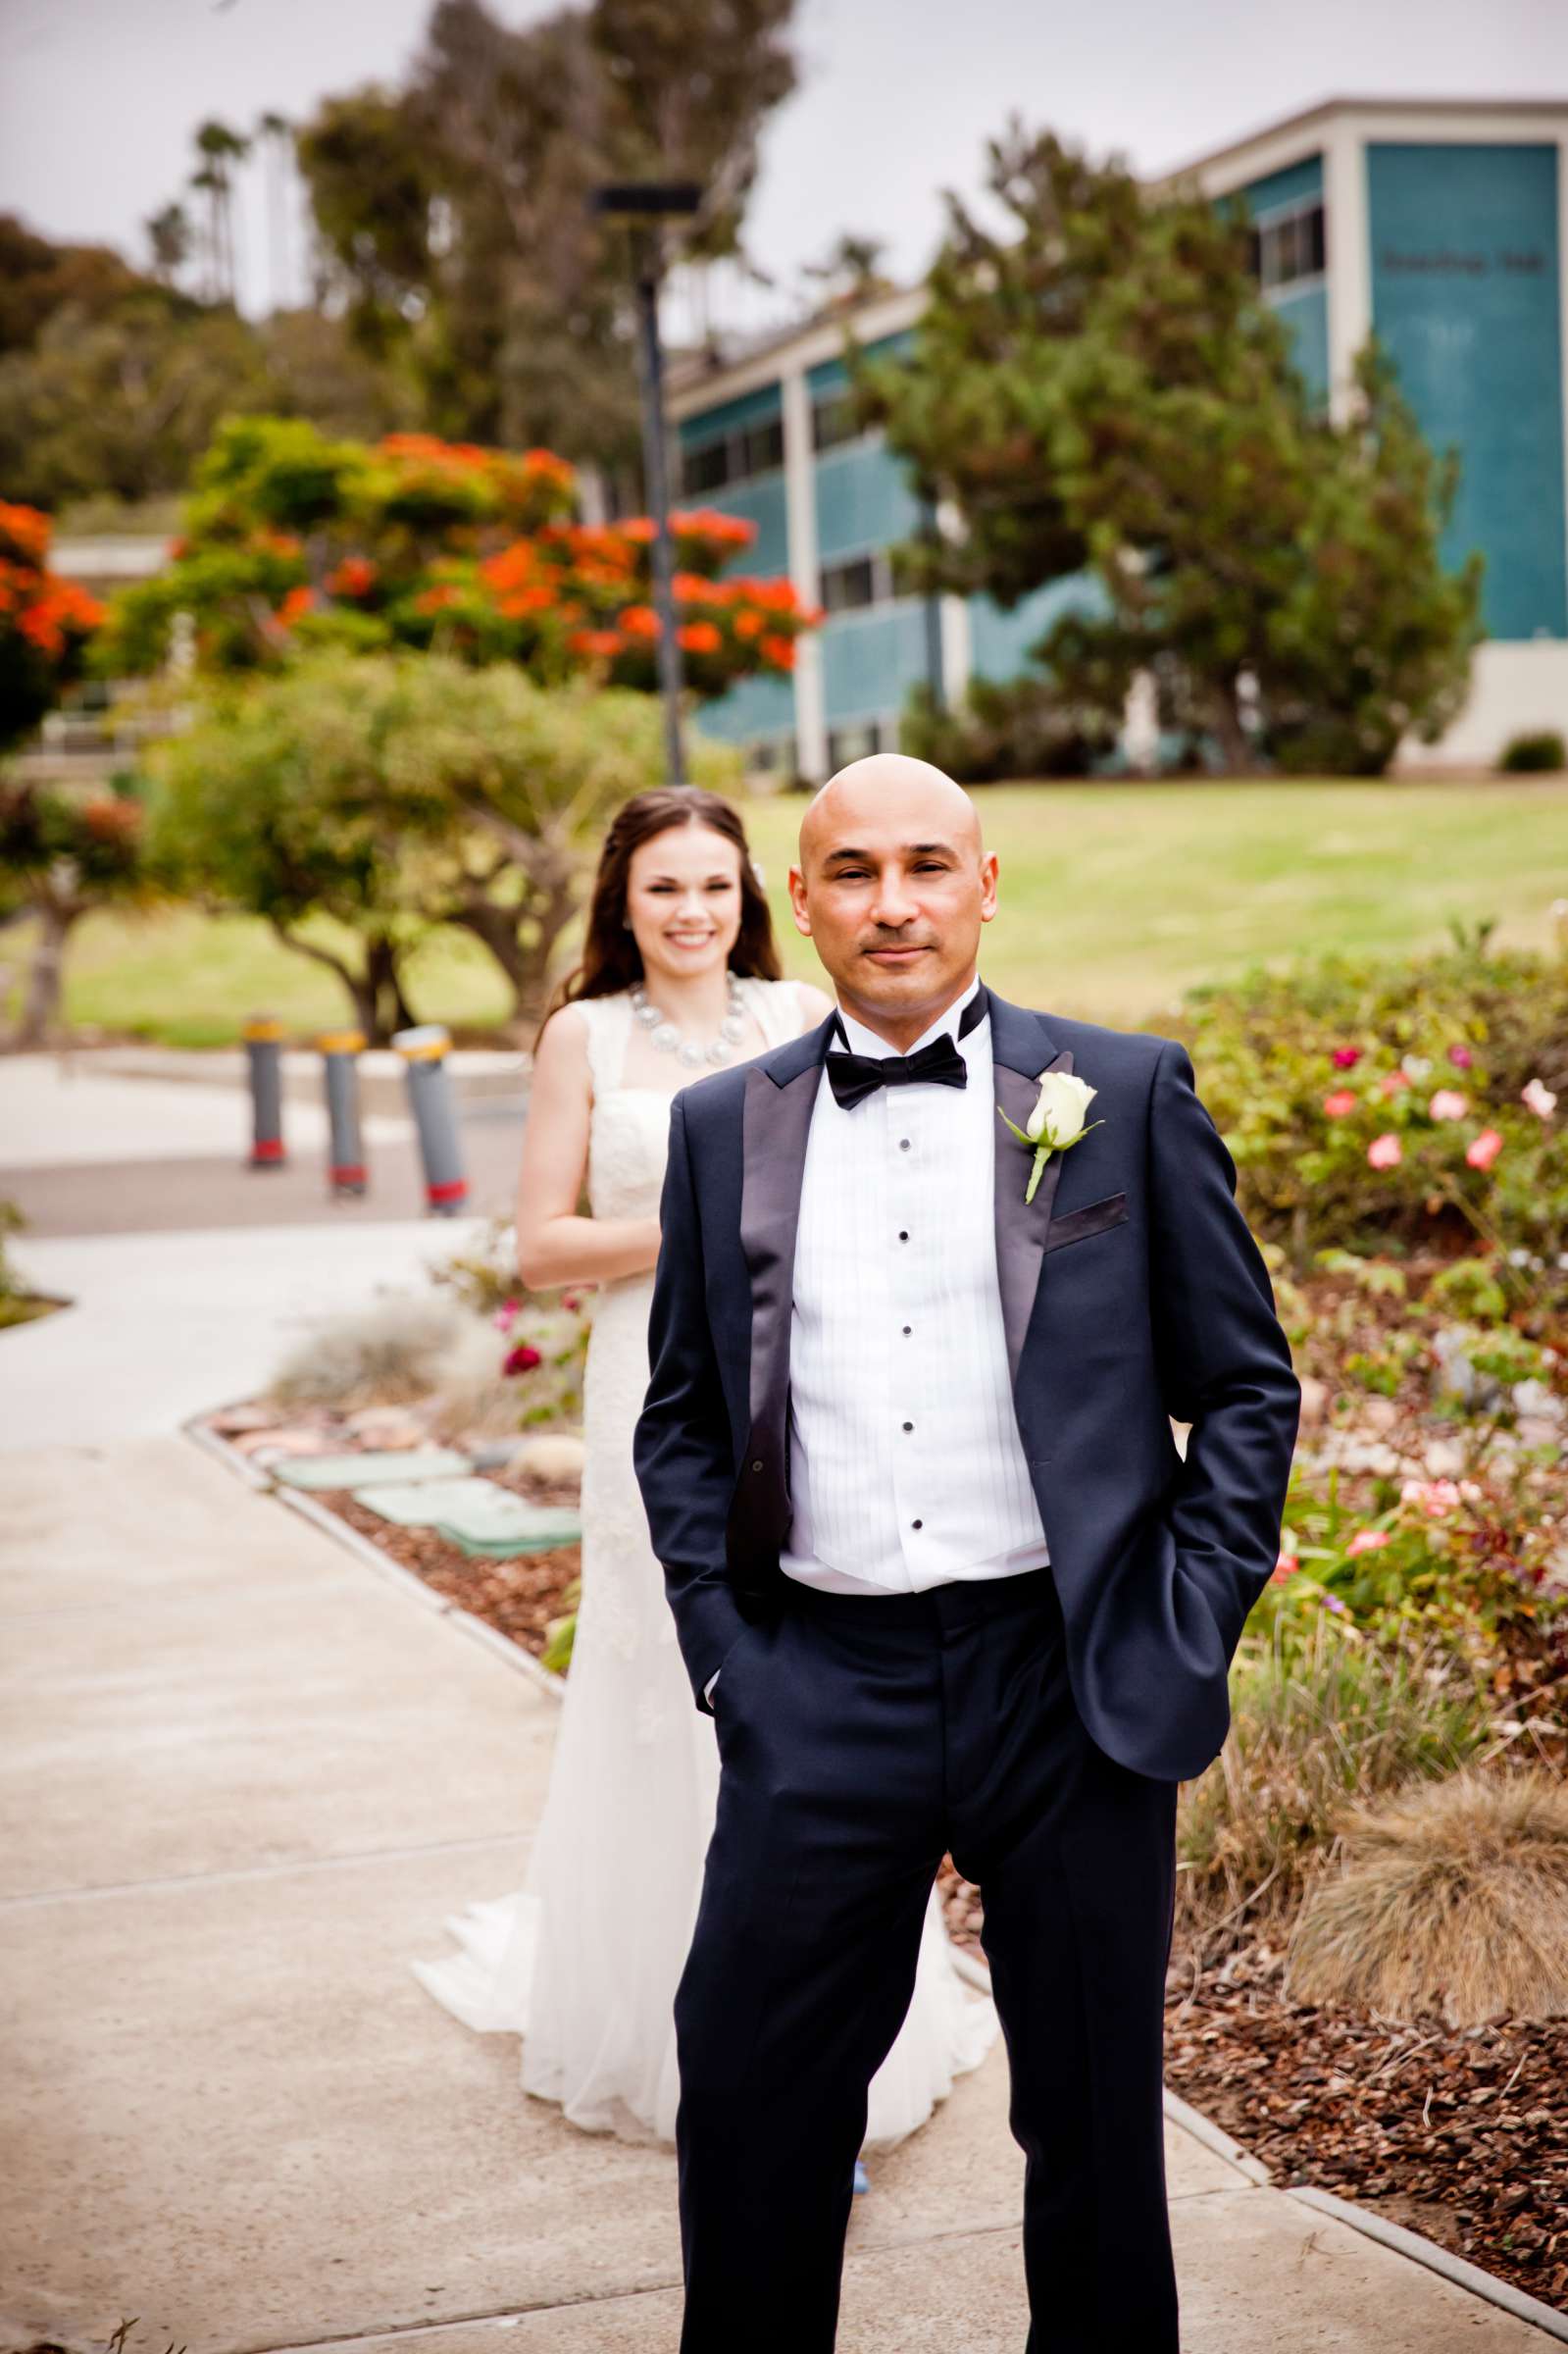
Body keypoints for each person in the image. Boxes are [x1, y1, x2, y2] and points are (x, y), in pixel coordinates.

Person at [633, 754, 1301, 2352]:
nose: (893, 904)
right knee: (748, 2098)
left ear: (987, 883)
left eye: (928, 866)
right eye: (851, 872)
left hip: (1067, 1681)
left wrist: (1178, 1618)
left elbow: (1246, 1390)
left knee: (1089, 2132)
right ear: (797, 904)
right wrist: (735, 1656)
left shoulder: (1124, 1093)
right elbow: (682, 1420)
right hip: (821, 1685)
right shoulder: (723, 1126)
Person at [412, 783, 998, 2155]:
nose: (691, 912)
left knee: (813, 1676)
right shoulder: (584, 1038)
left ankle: (855, 2027)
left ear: (758, 900)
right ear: (623, 899)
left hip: (802, 1376)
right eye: (664, 887)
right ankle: (669, 2024)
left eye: (715, 888)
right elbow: (544, 1246)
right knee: (664, 1678)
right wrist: (701, 1214)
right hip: (654, 1379)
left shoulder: (798, 1021)